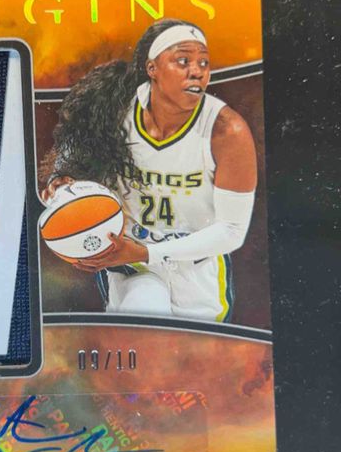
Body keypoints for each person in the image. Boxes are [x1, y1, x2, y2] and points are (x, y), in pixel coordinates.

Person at [41, 18, 257, 322]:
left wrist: (148, 252)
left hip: (194, 265)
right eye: (183, 60)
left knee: (189, 350)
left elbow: (232, 231)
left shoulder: (226, 131)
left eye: (204, 63)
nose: (197, 71)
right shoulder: (112, 110)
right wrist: (61, 178)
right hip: (129, 262)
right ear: (152, 68)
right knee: (145, 307)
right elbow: (75, 143)